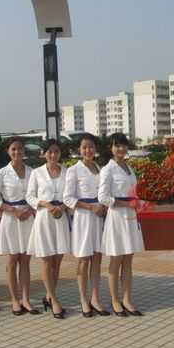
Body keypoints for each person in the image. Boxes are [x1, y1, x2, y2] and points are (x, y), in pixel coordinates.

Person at [0, 137, 38, 315]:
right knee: (12, 260)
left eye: (20, 149)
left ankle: (26, 299)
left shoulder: (32, 172)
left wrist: (30, 210)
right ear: (8, 151)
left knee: (25, 260)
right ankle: (15, 300)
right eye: (13, 149)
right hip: (11, 219)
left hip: (28, 218)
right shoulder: (1, 173)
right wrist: (12, 210)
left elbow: (38, 195)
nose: (17, 152)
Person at [63, 133, 110, 317]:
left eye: (91, 147)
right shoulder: (73, 170)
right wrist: (91, 207)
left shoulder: (100, 169)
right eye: (84, 147)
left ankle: (95, 298)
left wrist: (103, 207)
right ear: (79, 150)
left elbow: (105, 193)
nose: (88, 150)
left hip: (98, 218)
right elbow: (68, 198)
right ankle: (83, 300)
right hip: (83, 218)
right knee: (83, 260)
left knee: (97, 258)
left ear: (95, 149)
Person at [98, 133, 145, 317]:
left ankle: (127, 299)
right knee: (116, 259)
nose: (121, 149)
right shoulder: (107, 169)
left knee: (128, 259)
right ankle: (115, 300)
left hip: (131, 217)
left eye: (123, 145)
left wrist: (138, 202)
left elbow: (132, 192)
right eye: (117, 145)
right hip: (117, 217)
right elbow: (103, 197)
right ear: (111, 148)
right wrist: (126, 204)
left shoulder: (129, 168)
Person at [26, 139, 70, 319]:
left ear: (60, 153)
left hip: (60, 218)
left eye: (56, 151)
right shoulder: (36, 173)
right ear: (44, 154)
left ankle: (48, 296)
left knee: (56, 262)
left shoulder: (67, 172)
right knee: (46, 260)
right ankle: (54, 300)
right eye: (49, 152)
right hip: (44, 218)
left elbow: (72, 195)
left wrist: (63, 207)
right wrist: (45, 204)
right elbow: (29, 196)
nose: (53, 155)